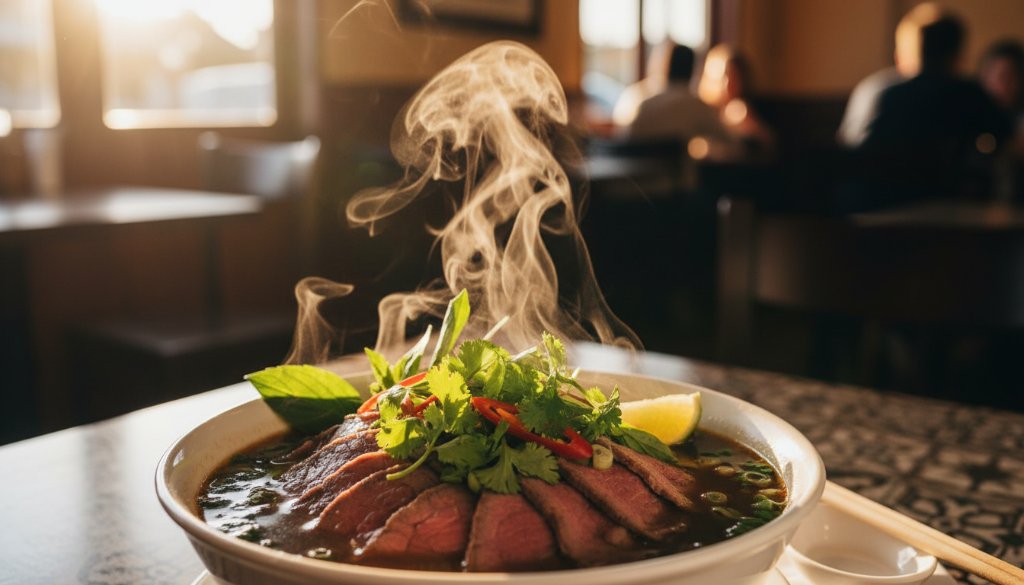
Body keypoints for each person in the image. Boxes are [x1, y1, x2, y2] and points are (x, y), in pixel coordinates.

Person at [837, 3, 942, 147]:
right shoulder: (966, 96)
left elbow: (849, 147)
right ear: (957, 57)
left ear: (898, 55)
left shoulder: (874, 91)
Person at [626, 44, 729, 145]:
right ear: (693, 70)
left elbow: (625, 143)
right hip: (677, 162)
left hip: (642, 162)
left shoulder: (645, 107)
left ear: (665, 68)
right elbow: (730, 143)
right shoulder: (699, 108)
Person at [696, 44, 775, 154]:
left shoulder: (745, 111)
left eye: (735, 76)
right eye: (725, 75)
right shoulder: (703, 111)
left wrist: (748, 125)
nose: (729, 83)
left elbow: (767, 143)